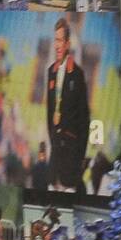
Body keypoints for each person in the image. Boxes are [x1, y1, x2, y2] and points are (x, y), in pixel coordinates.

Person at [45, 18, 89, 192]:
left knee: (69, 191)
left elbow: (84, 118)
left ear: (68, 44)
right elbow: (49, 112)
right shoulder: (51, 72)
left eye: (60, 41)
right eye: (54, 40)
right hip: (55, 153)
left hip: (71, 154)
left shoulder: (77, 74)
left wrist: (79, 156)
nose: (56, 45)